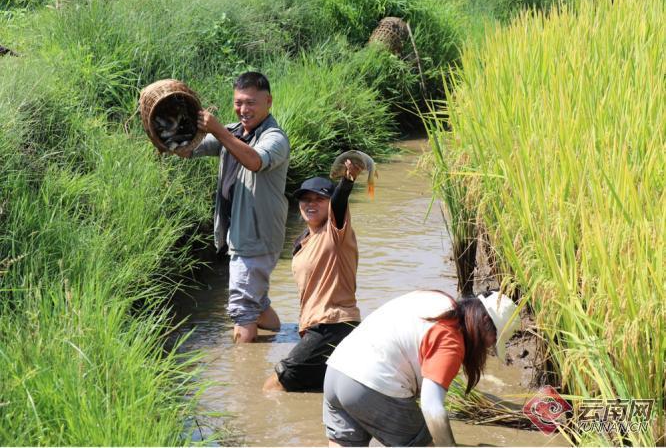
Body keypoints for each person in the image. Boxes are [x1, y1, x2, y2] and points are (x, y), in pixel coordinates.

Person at [174, 72, 290, 343]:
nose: (243, 110)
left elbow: (254, 161)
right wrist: (169, 129)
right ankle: (285, 337)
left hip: (256, 238)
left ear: (268, 101)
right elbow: (188, 149)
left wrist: (219, 130)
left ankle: (242, 377)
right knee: (255, 305)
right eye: (238, 103)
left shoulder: (274, 138)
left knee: (242, 312)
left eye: (251, 103)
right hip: (240, 235)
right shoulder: (234, 132)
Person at [322, 290, 521, 446]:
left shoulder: (438, 300)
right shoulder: (451, 338)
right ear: (485, 323)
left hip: (336, 371)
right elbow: (431, 405)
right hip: (372, 383)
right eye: (494, 340)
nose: (489, 348)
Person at [263, 159, 363, 392]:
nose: (311, 204)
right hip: (316, 328)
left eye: (320, 199)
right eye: (306, 199)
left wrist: (346, 181)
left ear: (330, 204)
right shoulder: (304, 241)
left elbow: (339, 203)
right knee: (320, 394)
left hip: (333, 324)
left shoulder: (336, 232)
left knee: (274, 385)